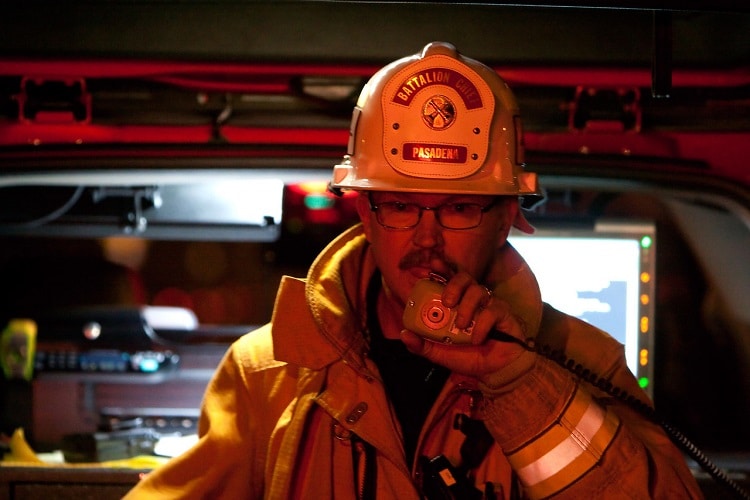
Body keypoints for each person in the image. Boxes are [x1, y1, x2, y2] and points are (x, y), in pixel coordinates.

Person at [125, 41, 702, 499]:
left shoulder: (583, 361)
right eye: (400, 205)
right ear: (365, 214)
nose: (426, 240)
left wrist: (522, 386)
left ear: (506, 218)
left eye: (459, 207)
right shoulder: (267, 371)